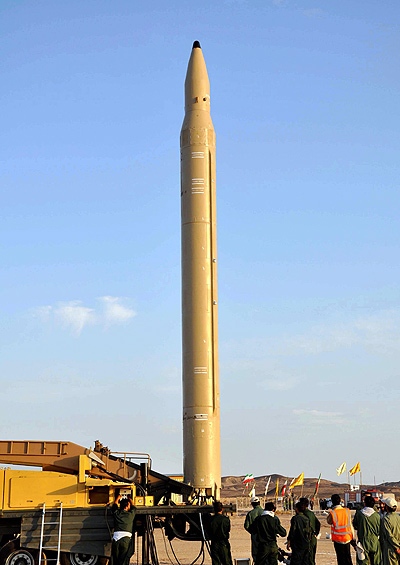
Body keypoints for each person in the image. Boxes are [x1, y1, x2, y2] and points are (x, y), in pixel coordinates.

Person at [352, 495, 381, 565]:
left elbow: (355, 525)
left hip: (362, 541)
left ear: (364, 503)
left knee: (362, 561)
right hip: (374, 542)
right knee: (376, 561)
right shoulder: (377, 516)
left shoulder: (359, 514)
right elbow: (379, 529)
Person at [327, 493, 354, 565]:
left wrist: (331, 510)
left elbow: (329, 521)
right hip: (347, 538)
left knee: (341, 559)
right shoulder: (347, 511)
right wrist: (353, 537)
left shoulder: (333, 512)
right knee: (348, 558)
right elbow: (350, 524)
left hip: (338, 539)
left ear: (332, 502)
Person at [111, 494, 136, 565]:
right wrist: (129, 498)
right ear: (127, 506)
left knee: (115, 560)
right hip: (126, 539)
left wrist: (118, 497)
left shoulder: (117, 513)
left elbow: (114, 505)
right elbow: (133, 506)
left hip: (116, 539)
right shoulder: (130, 514)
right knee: (123, 560)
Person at [287, 501, 313, 565]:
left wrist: (289, 540)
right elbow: (309, 531)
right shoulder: (306, 518)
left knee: (296, 561)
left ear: (297, 509)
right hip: (306, 543)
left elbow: (292, 531)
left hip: (297, 544)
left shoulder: (295, 518)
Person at [209, 500, 233, 565]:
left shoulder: (211, 519)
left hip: (214, 543)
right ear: (222, 509)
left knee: (216, 562)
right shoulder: (225, 519)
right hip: (223, 543)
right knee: (227, 561)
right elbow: (227, 529)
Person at [380, 497, 400, 565]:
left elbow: (389, 535)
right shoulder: (398, 517)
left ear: (387, 507)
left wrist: (397, 547)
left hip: (391, 549)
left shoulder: (386, 519)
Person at [244, 496, 264, 563]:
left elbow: (246, 526)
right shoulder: (264, 512)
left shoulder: (250, 514)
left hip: (255, 537)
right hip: (265, 537)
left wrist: (253, 532)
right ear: (259, 503)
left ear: (252, 504)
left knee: (256, 555)